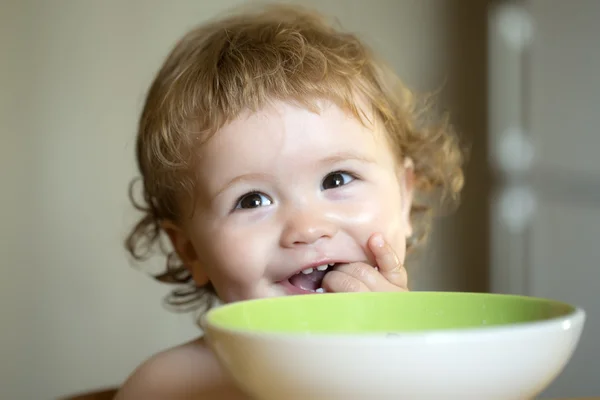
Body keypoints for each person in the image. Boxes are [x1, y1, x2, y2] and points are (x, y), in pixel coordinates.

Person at [115, 3, 465, 399]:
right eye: (252, 200)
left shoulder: (449, 368)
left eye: (337, 179)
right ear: (190, 249)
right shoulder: (170, 388)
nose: (308, 227)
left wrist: (398, 363)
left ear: (404, 198)